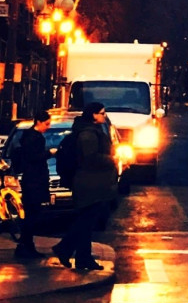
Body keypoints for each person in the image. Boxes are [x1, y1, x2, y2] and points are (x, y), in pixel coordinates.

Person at [53, 103, 117, 272]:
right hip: (89, 184)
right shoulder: (88, 134)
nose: (104, 116)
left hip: (90, 183)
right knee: (86, 221)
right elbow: (90, 158)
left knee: (87, 222)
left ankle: (82, 258)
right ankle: (65, 248)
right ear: (94, 115)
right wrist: (112, 159)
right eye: (102, 113)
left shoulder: (88, 131)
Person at [13, 108, 52, 259]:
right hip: (35, 180)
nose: (48, 127)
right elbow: (34, 157)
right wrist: (49, 153)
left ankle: (25, 245)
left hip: (30, 179)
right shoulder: (35, 138)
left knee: (31, 214)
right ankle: (26, 246)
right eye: (46, 124)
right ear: (39, 122)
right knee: (32, 214)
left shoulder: (27, 136)